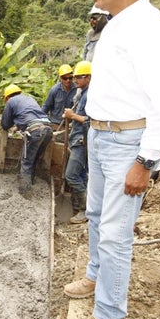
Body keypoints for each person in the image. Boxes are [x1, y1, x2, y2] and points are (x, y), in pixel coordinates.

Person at [63, 0, 160, 319]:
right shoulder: (117, 24)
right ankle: (96, 275)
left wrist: (145, 161)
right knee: (97, 215)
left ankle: (110, 314)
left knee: (115, 233)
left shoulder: (151, 29)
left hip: (128, 141)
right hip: (101, 133)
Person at [1, 84, 54, 197]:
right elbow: (30, 116)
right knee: (33, 159)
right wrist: (19, 125)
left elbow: (5, 124)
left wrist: (13, 123)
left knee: (26, 162)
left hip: (35, 131)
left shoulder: (11, 101)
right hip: (48, 130)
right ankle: (30, 182)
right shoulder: (29, 99)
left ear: (7, 97)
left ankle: (25, 193)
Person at [62, 61, 91, 224]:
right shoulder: (82, 94)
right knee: (81, 174)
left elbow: (91, 121)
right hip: (78, 139)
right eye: (75, 77)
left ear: (89, 77)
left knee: (71, 175)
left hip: (82, 141)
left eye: (79, 77)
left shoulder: (89, 95)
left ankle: (85, 210)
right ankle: (84, 207)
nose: (75, 80)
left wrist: (72, 116)